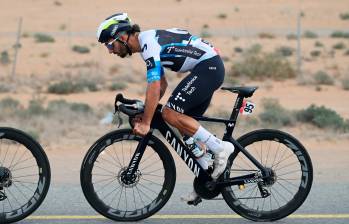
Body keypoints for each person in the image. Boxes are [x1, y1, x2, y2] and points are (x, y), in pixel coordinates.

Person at [96, 13, 234, 203]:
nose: (110, 51)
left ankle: (220, 148)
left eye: (110, 44)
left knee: (170, 113)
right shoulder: (148, 46)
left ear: (122, 36)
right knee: (184, 126)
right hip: (208, 67)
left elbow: (153, 88)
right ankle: (207, 180)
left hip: (208, 67)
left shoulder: (148, 44)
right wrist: (147, 114)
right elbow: (161, 85)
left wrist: (146, 122)